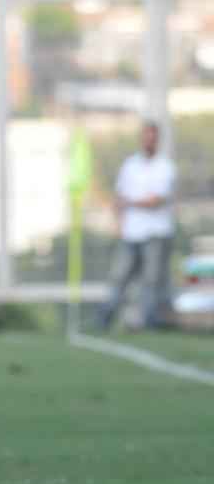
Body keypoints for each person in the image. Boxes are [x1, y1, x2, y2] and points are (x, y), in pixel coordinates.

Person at [96, 121, 176, 330]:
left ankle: (151, 321)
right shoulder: (130, 165)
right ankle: (104, 319)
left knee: (152, 280)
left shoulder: (165, 167)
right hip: (131, 233)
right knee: (119, 277)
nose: (149, 140)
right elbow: (118, 198)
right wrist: (119, 222)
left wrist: (130, 202)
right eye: (145, 136)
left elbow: (155, 201)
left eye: (153, 136)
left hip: (155, 233)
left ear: (157, 139)